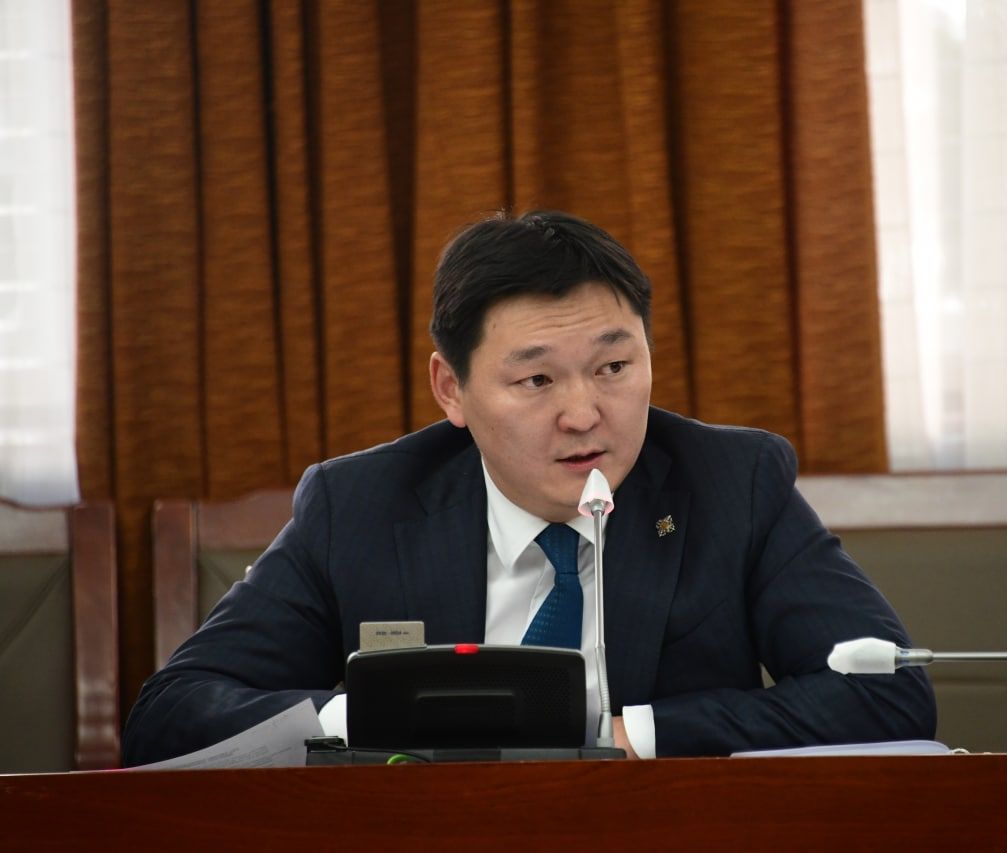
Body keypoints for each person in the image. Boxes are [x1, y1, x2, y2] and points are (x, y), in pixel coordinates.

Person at [123, 210, 935, 765]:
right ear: (451, 389)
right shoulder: (362, 506)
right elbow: (170, 714)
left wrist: (632, 735)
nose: (584, 413)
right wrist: (365, 715)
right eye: (537, 379)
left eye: (614, 366)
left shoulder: (732, 483)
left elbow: (890, 694)